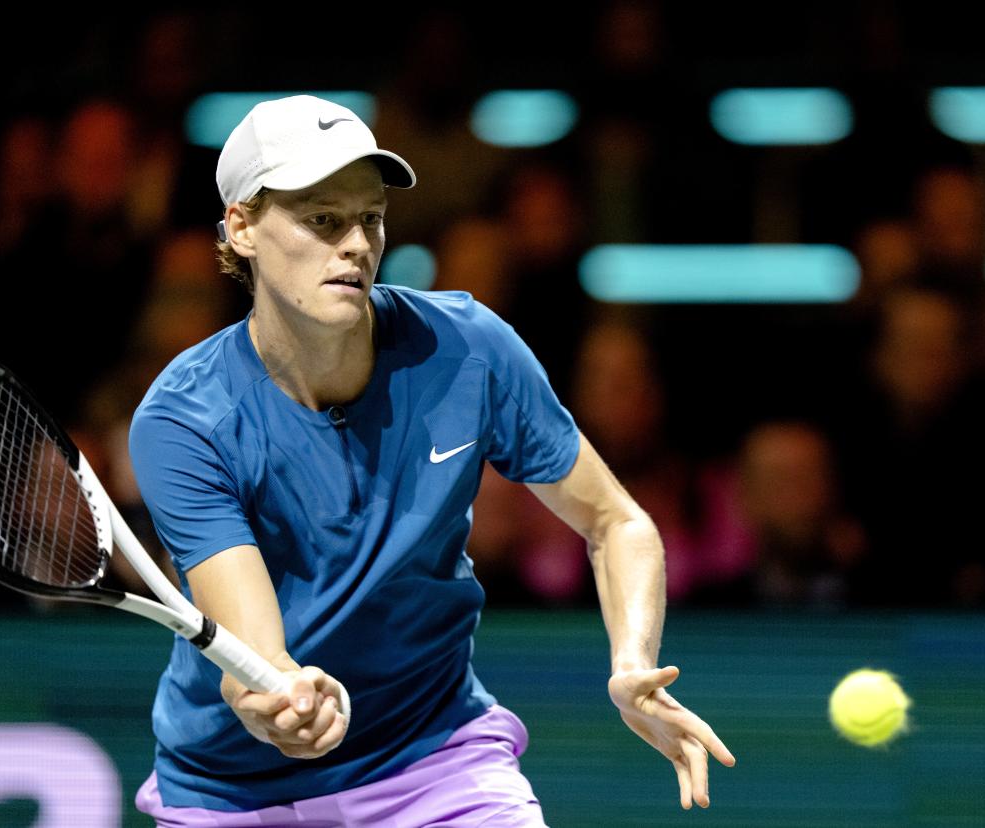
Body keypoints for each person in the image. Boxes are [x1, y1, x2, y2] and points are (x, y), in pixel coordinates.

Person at [128, 94, 734, 826]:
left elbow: (616, 522)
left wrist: (632, 660)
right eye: (322, 220)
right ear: (243, 227)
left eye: (370, 218)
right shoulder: (186, 419)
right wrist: (274, 702)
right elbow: (253, 654)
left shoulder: (468, 348)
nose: (355, 243)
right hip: (233, 791)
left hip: (434, 757)